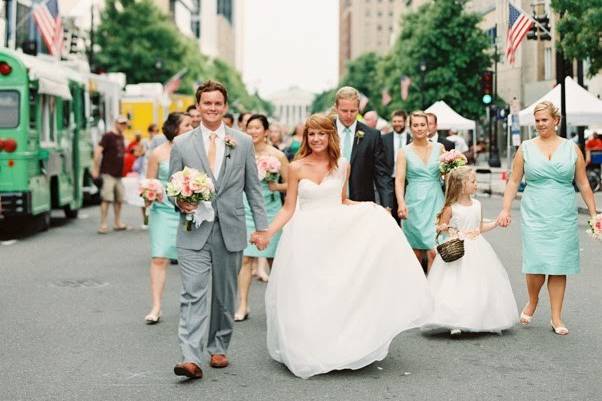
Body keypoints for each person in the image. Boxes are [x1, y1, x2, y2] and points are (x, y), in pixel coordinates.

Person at [251, 114, 432, 379]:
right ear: (306, 137)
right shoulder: (296, 166)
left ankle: (338, 346)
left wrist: (373, 209)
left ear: (329, 136)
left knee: (335, 290)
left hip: (337, 234)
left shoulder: (342, 165)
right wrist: (267, 233)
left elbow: (343, 199)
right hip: (305, 236)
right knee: (310, 291)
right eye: (311, 134)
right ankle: (308, 347)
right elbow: (289, 208)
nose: (316, 139)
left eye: (321, 133)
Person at [169, 80, 268, 379]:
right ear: (197, 106)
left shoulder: (242, 142)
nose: (212, 108)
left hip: (230, 228)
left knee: (225, 295)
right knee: (193, 293)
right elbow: (172, 186)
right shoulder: (182, 143)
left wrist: (262, 228)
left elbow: (253, 189)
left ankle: (219, 346)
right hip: (193, 230)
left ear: (225, 107)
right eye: (206, 103)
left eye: (217, 104)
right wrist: (180, 202)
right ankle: (191, 357)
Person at [496, 101, 597, 336]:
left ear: (556, 121)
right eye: (537, 120)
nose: (540, 124)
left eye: (544, 120)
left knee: (559, 265)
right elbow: (513, 181)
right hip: (535, 212)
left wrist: (594, 213)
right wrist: (505, 209)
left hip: (562, 212)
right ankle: (532, 300)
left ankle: (556, 317)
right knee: (536, 264)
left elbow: (583, 183)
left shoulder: (572, 149)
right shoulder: (526, 148)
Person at [423, 166, 518, 336]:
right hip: (458, 248)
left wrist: (496, 223)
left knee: (479, 284)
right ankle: (454, 321)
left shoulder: (477, 204)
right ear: (460, 185)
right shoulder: (451, 208)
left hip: (478, 248)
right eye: (473, 181)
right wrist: (446, 228)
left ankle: (481, 318)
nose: (476, 184)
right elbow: (441, 226)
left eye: (476, 181)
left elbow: (479, 227)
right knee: (455, 284)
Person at [235, 114, 289, 321]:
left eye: (258, 128)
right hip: (246, 209)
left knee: (273, 258)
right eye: (250, 128)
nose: (253, 131)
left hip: (271, 210)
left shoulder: (277, 155)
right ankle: (243, 305)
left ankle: (279, 305)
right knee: (245, 258)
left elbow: (291, 184)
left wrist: (277, 186)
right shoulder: (240, 153)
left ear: (266, 131)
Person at [144, 112, 193, 324]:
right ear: (175, 129)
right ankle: (156, 306)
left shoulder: (194, 152)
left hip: (188, 211)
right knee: (159, 257)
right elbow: (149, 183)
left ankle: (191, 306)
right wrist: (148, 195)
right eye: (188, 125)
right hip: (162, 211)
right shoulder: (157, 154)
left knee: (190, 260)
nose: (192, 128)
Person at [395, 111, 445, 273]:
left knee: (434, 251)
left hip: (436, 201)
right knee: (416, 253)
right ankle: (416, 290)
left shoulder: (440, 148)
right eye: (415, 125)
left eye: (423, 124)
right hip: (414, 204)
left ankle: (432, 292)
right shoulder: (404, 152)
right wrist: (401, 203)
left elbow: (449, 174)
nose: (419, 128)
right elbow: (400, 180)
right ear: (410, 128)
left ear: (429, 127)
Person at [333, 86, 393, 208]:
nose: (349, 115)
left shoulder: (372, 135)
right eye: (344, 111)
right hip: (330, 200)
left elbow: (381, 175)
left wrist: (387, 206)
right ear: (336, 108)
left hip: (362, 202)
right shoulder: (325, 131)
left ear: (359, 108)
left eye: (353, 111)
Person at [92, 116, 129, 234]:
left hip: (118, 174)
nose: (123, 126)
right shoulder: (108, 136)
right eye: (121, 123)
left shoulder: (121, 137)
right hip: (108, 172)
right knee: (106, 198)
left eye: (125, 124)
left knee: (119, 199)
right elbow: (98, 151)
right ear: (116, 123)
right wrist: (95, 169)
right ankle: (103, 224)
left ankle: (117, 222)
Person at [382, 110, 411, 224]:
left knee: (406, 212)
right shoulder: (384, 139)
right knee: (391, 214)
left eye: (399, 121)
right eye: (394, 121)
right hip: (389, 181)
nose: (397, 123)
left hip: (407, 182)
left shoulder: (412, 138)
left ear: (405, 122)